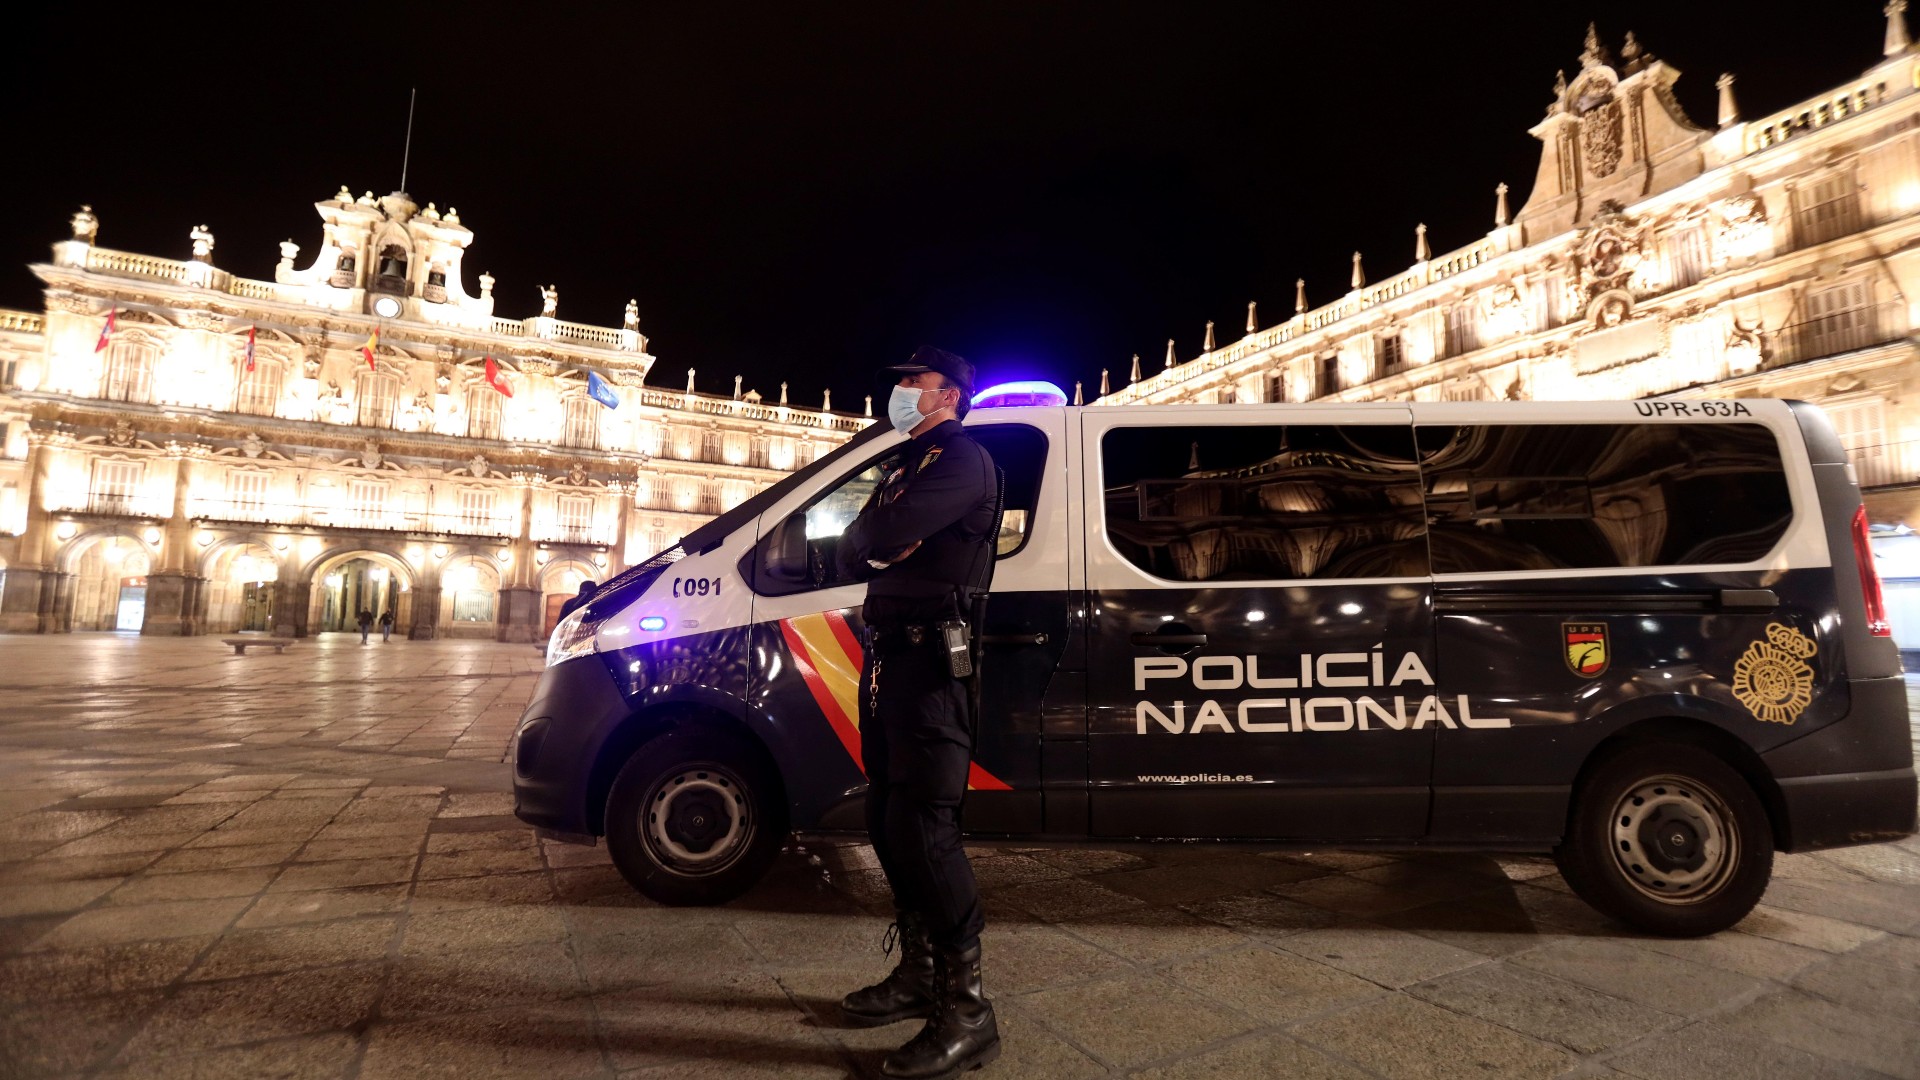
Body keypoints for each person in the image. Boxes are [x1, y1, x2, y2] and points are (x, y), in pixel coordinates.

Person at [837, 346, 1001, 1079]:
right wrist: (882, 538)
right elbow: (853, 547)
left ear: (951, 395)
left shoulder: (963, 461)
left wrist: (883, 539)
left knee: (927, 827)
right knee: (886, 816)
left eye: (914, 382)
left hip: (933, 666)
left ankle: (967, 1011)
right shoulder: (907, 466)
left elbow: (871, 537)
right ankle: (919, 973)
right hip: (890, 662)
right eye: (899, 381)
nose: (901, 391)